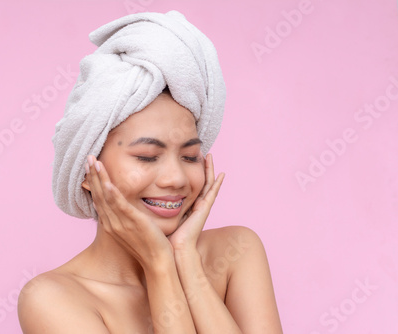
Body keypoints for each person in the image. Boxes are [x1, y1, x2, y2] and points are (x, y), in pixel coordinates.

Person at [18, 10, 282, 334]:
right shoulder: (52, 300)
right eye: (146, 156)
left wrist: (185, 258)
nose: (176, 179)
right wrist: (159, 265)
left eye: (189, 156)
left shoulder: (237, 252)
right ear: (87, 171)